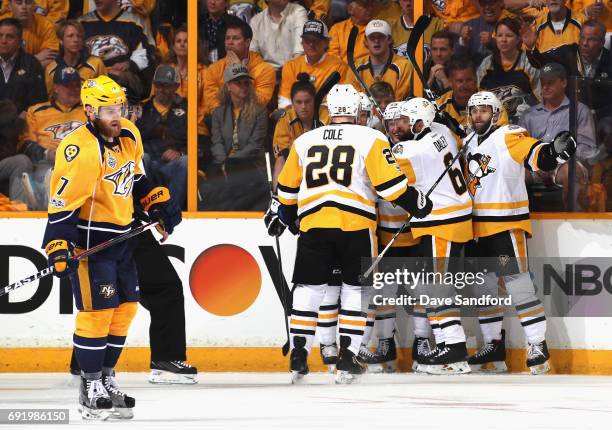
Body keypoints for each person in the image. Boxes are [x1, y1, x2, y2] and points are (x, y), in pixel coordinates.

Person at [265, 83, 433, 384]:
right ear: (357, 111)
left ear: (328, 109)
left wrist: (287, 218)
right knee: (356, 290)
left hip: (314, 224)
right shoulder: (370, 137)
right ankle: (348, 356)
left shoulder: (305, 140)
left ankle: (300, 352)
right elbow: (391, 187)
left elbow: (287, 191)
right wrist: (418, 203)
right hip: (356, 226)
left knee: (309, 288)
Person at [42, 75, 182, 419]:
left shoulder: (129, 135)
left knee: (127, 309)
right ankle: (89, 386)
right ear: (90, 111)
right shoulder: (80, 150)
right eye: (108, 109)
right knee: (97, 314)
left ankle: (106, 378)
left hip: (124, 240)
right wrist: (60, 246)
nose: (116, 115)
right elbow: (62, 203)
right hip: (93, 243)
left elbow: (135, 179)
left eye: (119, 107)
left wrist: (156, 204)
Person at [462, 91, 576, 374]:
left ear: (496, 112)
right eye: (474, 110)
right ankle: (493, 345)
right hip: (475, 228)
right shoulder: (465, 142)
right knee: (484, 290)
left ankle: (538, 344)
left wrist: (552, 153)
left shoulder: (508, 135)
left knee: (518, 284)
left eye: (484, 110)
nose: (478, 115)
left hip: (504, 224)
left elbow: (534, 152)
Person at [391, 97, 473, 374]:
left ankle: (455, 348)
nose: (400, 124)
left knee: (438, 287)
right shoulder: (441, 131)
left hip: (443, 222)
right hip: (451, 218)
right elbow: (444, 126)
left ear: (419, 122)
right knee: (432, 286)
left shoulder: (414, 150)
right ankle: (444, 344)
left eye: (405, 120)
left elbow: (391, 180)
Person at [21, 66, 86, 210]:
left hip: (81, 161)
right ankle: (43, 204)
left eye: (77, 85)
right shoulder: (36, 111)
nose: (75, 89)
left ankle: (49, 201)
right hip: (47, 162)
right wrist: (46, 153)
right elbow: (25, 143)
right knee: (46, 174)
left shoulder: (89, 110)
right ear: (56, 88)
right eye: (68, 86)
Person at [208, 63, 268, 211]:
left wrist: (231, 162)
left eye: (246, 83)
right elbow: (217, 142)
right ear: (228, 86)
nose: (243, 86)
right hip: (223, 166)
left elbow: (254, 146)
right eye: (238, 83)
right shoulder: (218, 113)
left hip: (250, 166)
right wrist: (223, 162)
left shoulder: (259, 111)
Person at [79, 0, 156, 100]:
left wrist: (129, 64)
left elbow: (147, 54)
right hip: (90, 76)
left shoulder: (135, 22)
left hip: (123, 79)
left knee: (116, 76)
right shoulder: (82, 23)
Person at [137, 65, 188, 207]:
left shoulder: (187, 107)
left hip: (173, 164)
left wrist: (180, 152)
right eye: (158, 85)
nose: (161, 89)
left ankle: (171, 212)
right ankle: (147, 209)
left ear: (176, 86)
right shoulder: (141, 109)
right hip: (150, 164)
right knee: (142, 158)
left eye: (166, 85)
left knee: (186, 161)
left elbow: (198, 140)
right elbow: (133, 142)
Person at [203, 18, 276, 114]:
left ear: (247, 42)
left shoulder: (265, 70)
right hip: (222, 120)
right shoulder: (213, 69)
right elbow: (212, 102)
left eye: (236, 38)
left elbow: (260, 102)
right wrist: (230, 117)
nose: (230, 42)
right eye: (227, 38)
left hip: (252, 118)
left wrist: (240, 72)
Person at [477, 17, 540, 123]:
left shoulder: (528, 63)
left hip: (524, 121)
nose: (503, 40)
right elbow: (479, 99)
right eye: (499, 35)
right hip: (493, 123)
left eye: (509, 35)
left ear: (518, 38)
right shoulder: (486, 64)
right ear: (495, 37)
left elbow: (540, 97)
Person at [272, 74, 328, 189]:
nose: (303, 106)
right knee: (280, 159)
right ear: (292, 102)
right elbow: (281, 152)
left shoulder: (327, 115)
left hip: (324, 161)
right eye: (298, 102)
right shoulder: (285, 119)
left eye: (307, 101)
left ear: (315, 100)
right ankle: (278, 197)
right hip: (295, 162)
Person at [278, 19, 348, 109]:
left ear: (326, 43)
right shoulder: (291, 66)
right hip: (296, 115)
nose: (311, 44)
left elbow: (340, 102)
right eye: (307, 40)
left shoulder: (339, 67)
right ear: (302, 43)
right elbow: (284, 101)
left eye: (316, 40)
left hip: (325, 117)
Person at [348, 19, 413, 100]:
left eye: (381, 37)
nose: (376, 41)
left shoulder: (404, 65)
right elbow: (354, 99)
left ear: (389, 39)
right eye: (372, 37)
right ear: (366, 41)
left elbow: (400, 98)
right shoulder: (356, 67)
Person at [44, 19, 106, 97]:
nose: (76, 40)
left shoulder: (96, 64)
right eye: (70, 36)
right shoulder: (51, 69)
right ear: (61, 41)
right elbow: (51, 99)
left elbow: (105, 94)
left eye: (79, 36)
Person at [0, 18, 47, 115]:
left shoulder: (32, 64)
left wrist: (26, 115)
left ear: (20, 42)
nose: (3, 41)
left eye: (10, 37)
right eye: (0, 36)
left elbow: (39, 102)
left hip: (21, 124)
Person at [249, 0, 308, 70]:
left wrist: (287, 72)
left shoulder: (298, 11)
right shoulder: (255, 21)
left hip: (294, 71)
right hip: (267, 74)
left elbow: (301, 51)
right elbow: (254, 55)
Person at [5, 0, 60, 67]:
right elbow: (4, 62)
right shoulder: (2, 25)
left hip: (37, 75)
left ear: (34, 5)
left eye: (28, 2)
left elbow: (51, 58)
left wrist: (22, 67)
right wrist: (35, 58)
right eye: (19, 3)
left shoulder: (45, 25)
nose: (24, 7)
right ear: (10, 6)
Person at [424, 31, 455, 98]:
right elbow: (417, 101)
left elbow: (460, 101)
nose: (438, 54)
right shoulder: (422, 69)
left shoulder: (460, 69)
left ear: (452, 51)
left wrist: (444, 80)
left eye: (443, 49)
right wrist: (430, 80)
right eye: (434, 49)